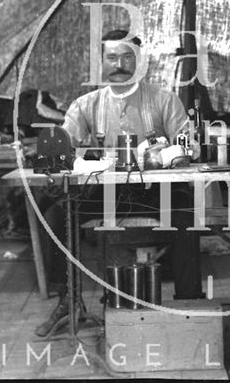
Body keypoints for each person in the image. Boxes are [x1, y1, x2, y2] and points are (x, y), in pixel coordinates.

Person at [35, 30, 203, 337]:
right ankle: (68, 300)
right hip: (108, 192)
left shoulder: (164, 101)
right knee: (59, 213)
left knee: (185, 213)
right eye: (112, 57)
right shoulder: (87, 105)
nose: (120, 64)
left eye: (128, 57)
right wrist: (57, 150)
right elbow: (64, 144)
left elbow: (189, 147)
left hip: (159, 191)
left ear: (139, 63)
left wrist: (164, 155)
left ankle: (188, 303)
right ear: (101, 63)